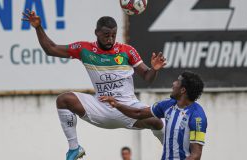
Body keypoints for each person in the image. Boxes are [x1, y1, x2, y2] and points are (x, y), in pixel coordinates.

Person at [21, 9, 167, 160]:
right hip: (101, 108)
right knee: (64, 100)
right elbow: (51, 49)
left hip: (128, 108)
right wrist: (38, 27)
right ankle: (74, 148)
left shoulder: (127, 51)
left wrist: (154, 69)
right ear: (96, 32)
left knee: (158, 122)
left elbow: (148, 77)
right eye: (106, 35)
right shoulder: (84, 49)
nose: (110, 39)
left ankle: (171, 153)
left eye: (113, 35)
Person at [100, 71, 207, 160]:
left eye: (177, 82)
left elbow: (196, 155)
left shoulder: (197, 116)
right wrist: (117, 104)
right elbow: (139, 113)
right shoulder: (168, 104)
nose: (173, 83)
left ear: (183, 90)